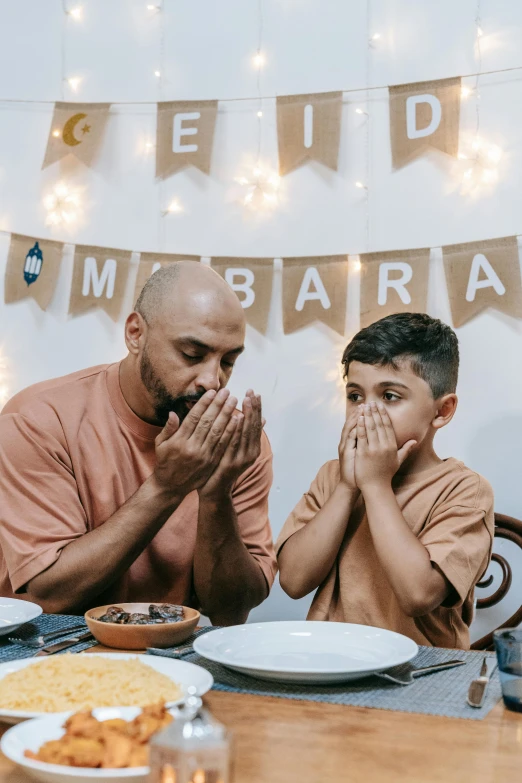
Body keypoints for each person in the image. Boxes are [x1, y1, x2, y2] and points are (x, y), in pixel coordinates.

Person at [0, 261, 276, 625]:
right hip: (42, 653)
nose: (212, 380)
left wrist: (217, 494)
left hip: (172, 656)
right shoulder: (39, 419)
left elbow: (230, 609)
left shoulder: (238, 442)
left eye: (228, 361)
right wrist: (166, 486)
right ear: (135, 333)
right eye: (192, 354)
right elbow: (45, 596)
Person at [277, 312, 494, 649]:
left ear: (442, 411)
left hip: (421, 675)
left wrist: (376, 486)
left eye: (390, 396)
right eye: (355, 396)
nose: (365, 413)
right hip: (331, 661)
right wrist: (348, 487)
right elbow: (293, 581)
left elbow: (418, 594)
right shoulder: (333, 476)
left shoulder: (465, 490)